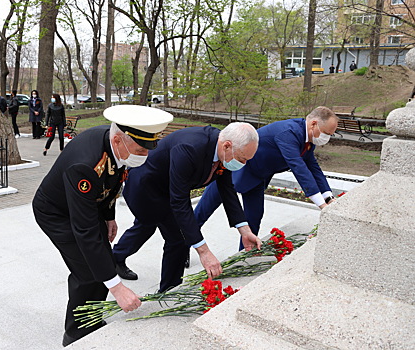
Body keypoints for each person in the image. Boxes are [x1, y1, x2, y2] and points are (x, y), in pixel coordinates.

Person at [32, 105, 173, 347]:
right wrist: (118, 289)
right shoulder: (85, 165)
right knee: (87, 272)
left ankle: (93, 320)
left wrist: (109, 216)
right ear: (119, 139)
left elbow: (114, 179)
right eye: (140, 150)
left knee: (102, 262)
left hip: (87, 207)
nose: (144, 156)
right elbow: (84, 231)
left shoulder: (117, 145)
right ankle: (75, 334)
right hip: (56, 213)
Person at [112, 122, 262, 293]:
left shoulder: (223, 150)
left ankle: (116, 257)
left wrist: (244, 230)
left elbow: (227, 190)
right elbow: (180, 202)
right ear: (227, 146)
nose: (243, 163)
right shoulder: (190, 148)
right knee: (177, 237)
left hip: (169, 188)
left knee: (147, 227)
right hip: (146, 188)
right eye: (243, 158)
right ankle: (169, 291)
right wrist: (204, 252)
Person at [194, 106, 338, 250]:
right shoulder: (289, 132)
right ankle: (184, 245)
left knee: (254, 217)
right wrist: (321, 205)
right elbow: (298, 168)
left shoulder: (307, 141)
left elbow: (314, 169)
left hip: (257, 177)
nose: (327, 138)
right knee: (203, 211)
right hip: (234, 170)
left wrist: (329, 198)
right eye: (326, 133)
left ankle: (243, 256)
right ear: (313, 124)